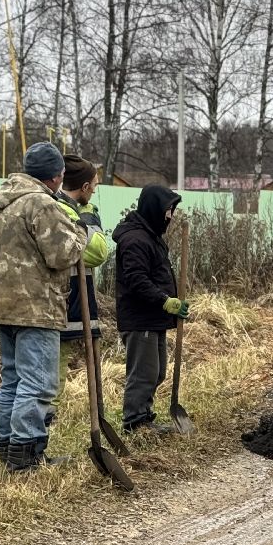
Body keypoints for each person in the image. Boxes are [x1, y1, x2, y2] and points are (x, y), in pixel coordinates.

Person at [0, 141, 88, 470]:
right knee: (38, 382)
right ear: (56, 176)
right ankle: (26, 455)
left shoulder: (0, 202)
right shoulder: (41, 203)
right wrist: (81, 232)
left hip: (3, 305)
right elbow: (61, 254)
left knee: (12, 380)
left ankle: (7, 449)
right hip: (36, 308)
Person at [112, 184, 189, 434]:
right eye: (168, 210)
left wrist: (170, 303)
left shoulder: (150, 236)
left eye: (172, 211)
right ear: (154, 208)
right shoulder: (135, 239)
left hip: (154, 318)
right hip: (140, 319)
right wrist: (165, 300)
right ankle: (134, 422)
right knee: (143, 373)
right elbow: (137, 280)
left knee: (156, 373)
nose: (170, 217)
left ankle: (144, 416)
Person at [55, 155, 111, 403]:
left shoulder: (58, 206)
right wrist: (88, 216)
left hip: (66, 303)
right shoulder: (67, 212)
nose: (95, 192)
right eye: (95, 186)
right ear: (85, 187)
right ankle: (43, 425)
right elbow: (98, 252)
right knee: (52, 381)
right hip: (63, 303)